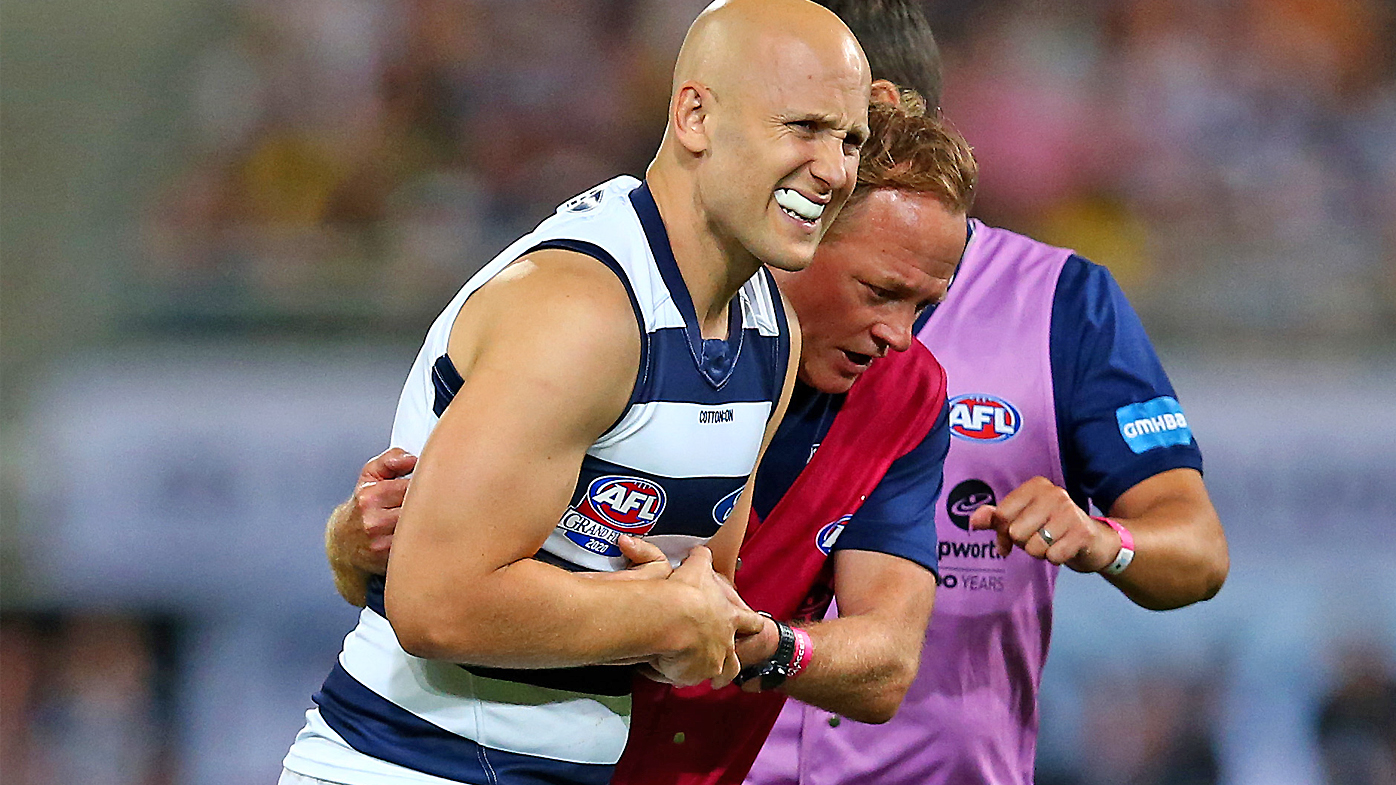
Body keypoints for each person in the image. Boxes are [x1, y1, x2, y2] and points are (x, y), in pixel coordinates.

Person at [280, 2, 873, 784]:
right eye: (803, 127)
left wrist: (682, 617)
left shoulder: (771, 332)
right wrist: (663, 613)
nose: (834, 169)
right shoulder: (584, 310)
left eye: (851, 138)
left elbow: (693, 608)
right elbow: (436, 607)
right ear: (695, 114)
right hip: (407, 764)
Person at [744, 2, 1230, 784]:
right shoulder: (710, 284)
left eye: (801, 118)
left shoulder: (1059, 301)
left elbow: (1199, 548)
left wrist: (1107, 539)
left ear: (880, 114)